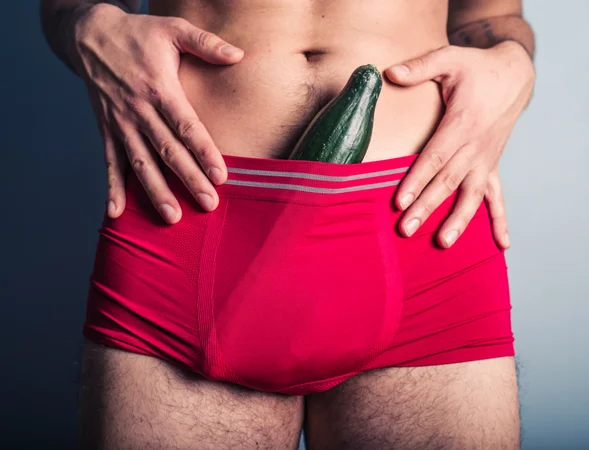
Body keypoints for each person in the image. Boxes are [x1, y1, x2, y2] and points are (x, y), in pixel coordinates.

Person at [41, 0, 535, 448]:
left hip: (422, 217)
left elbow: (488, 16)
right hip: (187, 211)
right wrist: (87, 24)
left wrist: (512, 60)